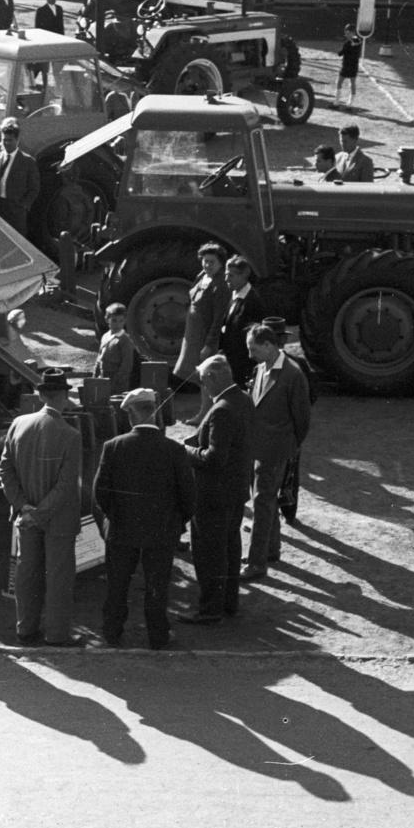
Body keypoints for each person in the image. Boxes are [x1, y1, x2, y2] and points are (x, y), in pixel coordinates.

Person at [95, 388, 195, 650]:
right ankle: (158, 635)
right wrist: (176, 521)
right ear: (154, 412)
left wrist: (114, 516)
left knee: (117, 584)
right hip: (161, 530)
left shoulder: (113, 446)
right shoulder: (174, 449)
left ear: (131, 413)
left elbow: (100, 492)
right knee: (157, 586)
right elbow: (188, 495)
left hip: (121, 528)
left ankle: (112, 632)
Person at [0, 367, 83, 647]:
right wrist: (41, 512)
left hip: (25, 517)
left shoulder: (19, 424)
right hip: (57, 519)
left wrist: (24, 507)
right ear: (63, 396)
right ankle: (56, 634)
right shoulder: (70, 435)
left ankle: (25, 630)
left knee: (26, 573)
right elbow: (66, 485)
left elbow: (4, 469)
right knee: (58, 577)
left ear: (40, 394)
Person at [179, 355, 255, 624]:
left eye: (202, 381)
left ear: (212, 378)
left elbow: (213, 458)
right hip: (235, 491)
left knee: (209, 554)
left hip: (213, 495)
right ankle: (229, 603)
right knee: (229, 550)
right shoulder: (243, 399)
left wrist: (185, 449)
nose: (203, 387)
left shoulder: (221, 409)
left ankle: (210, 609)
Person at [244, 323, 309, 578]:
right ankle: (271, 550)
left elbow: (302, 420)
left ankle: (256, 563)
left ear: (269, 346)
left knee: (262, 503)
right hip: (260, 448)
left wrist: (288, 448)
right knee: (266, 500)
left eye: (253, 349)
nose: (250, 355)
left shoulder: (293, 375)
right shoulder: (261, 368)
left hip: (276, 450)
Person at [174, 243, 228, 388]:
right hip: (192, 335)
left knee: (205, 373)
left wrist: (209, 345)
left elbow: (218, 319)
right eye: (206, 261)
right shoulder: (202, 276)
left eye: (212, 262)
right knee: (194, 371)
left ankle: (207, 406)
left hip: (204, 336)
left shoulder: (220, 285)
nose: (208, 265)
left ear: (220, 263)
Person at [0, 116, 38, 233]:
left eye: (10, 140)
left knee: (17, 238)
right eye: (4, 140)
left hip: (16, 209)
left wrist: (23, 206)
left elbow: (34, 188)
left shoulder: (27, 161)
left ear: (17, 140)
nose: (6, 143)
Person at [219, 255, 265, 386]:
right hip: (232, 361)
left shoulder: (252, 301)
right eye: (226, 274)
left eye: (231, 275)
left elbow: (254, 336)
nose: (226, 279)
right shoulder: (235, 295)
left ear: (243, 276)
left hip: (244, 364)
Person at [94, 303, 137, 392]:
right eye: (114, 320)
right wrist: (94, 376)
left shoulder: (125, 340)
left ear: (125, 321)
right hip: (103, 378)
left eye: (121, 321)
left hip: (117, 382)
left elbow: (127, 364)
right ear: (107, 319)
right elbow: (99, 358)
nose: (117, 324)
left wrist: (117, 382)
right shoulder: (105, 336)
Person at [334, 24, 361, 109]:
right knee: (352, 83)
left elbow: (340, 53)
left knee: (339, 82)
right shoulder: (358, 41)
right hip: (354, 66)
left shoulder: (347, 43)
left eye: (347, 32)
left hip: (346, 66)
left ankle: (336, 103)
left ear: (352, 32)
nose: (346, 33)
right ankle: (349, 104)